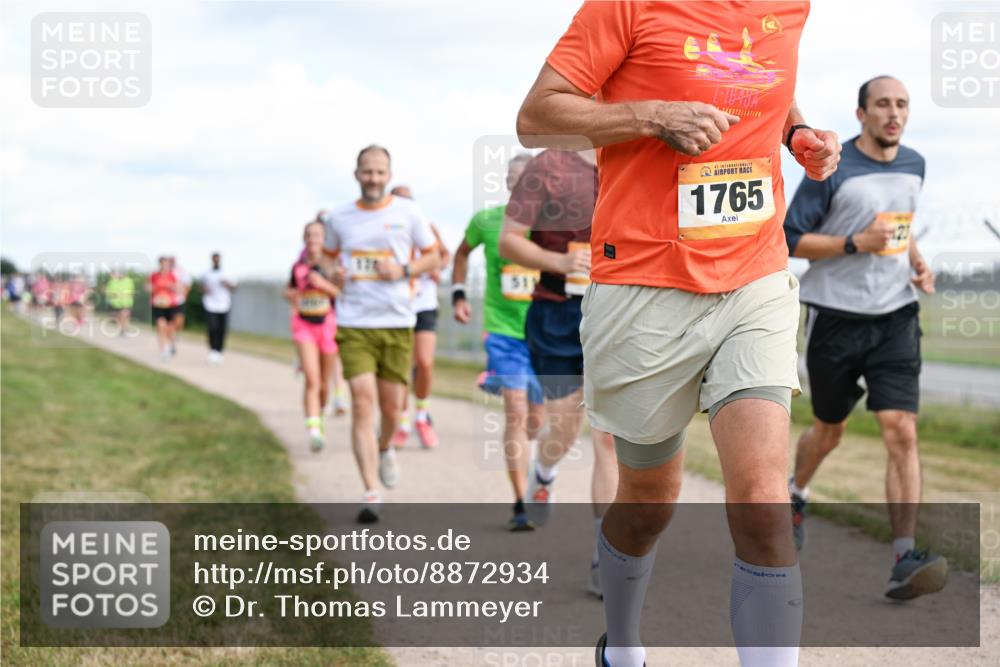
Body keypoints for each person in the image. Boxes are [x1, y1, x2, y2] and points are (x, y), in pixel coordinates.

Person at [516, 2, 841, 665]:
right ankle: (625, 644)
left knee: (761, 495)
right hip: (641, 282)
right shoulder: (626, 6)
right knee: (649, 499)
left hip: (754, 275)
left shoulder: (790, 7)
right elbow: (536, 116)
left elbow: (755, 77)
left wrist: (797, 129)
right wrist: (654, 115)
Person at [783, 75, 946, 600]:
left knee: (901, 429)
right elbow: (792, 239)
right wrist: (855, 243)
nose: (893, 114)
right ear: (861, 114)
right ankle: (796, 493)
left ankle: (904, 557)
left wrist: (917, 263)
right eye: (882, 105)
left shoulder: (914, 163)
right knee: (829, 431)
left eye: (901, 104)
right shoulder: (834, 169)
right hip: (834, 318)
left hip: (896, 315)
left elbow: (902, 225)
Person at [499, 147, 618, 598]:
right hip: (558, 316)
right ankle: (545, 471)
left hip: (619, 313)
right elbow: (510, 240)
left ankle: (604, 557)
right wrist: (561, 263)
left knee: (607, 437)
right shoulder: (548, 165)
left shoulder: (636, 155)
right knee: (564, 428)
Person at [322, 145, 440, 523]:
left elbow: (434, 256)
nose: (372, 178)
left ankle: (385, 445)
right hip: (355, 323)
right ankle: (371, 491)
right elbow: (325, 257)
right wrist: (332, 273)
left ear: (388, 175)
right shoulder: (338, 217)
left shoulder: (408, 213)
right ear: (356, 174)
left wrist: (404, 270)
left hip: (397, 322)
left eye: (379, 172)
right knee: (362, 401)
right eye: (366, 172)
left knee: (391, 409)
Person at [453, 153, 546, 531]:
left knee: (536, 421)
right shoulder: (487, 221)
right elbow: (461, 253)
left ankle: (537, 471)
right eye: (514, 178)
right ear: (508, 183)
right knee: (516, 413)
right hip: (504, 331)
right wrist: (458, 294)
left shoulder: (555, 227)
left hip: (545, 333)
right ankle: (521, 502)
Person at [388, 185, 451, 449]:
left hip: (424, 302)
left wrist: (437, 267)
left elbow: (443, 255)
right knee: (402, 367)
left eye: (408, 201)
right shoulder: (386, 230)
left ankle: (422, 417)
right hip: (397, 304)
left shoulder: (426, 226)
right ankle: (402, 422)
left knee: (424, 362)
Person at [285, 221, 342, 452]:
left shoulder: (332, 265)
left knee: (324, 386)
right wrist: (293, 295)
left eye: (317, 235)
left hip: (327, 326)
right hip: (303, 325)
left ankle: (319, 416)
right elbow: (288, 290)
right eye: (309, 234)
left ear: (324, 239)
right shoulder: (297, 267)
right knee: (312, 378)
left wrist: (323, 285)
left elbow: (341, 294)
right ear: (304, 238)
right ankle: (314, 431)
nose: (313, 239)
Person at [201, 252, 238, 363]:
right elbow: (201, 287)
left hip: (224, 305)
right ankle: (212, 350)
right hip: (210, 304)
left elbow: (234, 289)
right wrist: (205, 290)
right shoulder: (206, 274)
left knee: (222, 329)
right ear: (212, 260)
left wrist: (227, 284)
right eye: (214, 259)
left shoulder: (227, 273)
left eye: (218, 259)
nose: (216, 261)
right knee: (212, 327)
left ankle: (220, 350)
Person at [149, 256, 183, 361]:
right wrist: (151, 288)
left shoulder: (173, 276)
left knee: (169, 328)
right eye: (162, 264)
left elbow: (179, 289)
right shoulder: (154, 275)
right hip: (158, 305)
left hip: (170, 305)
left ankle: (171, 343)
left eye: (166, 264)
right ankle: (164, 350)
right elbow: (148, 286)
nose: (164, 266)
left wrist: (172, 286)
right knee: (161, 326)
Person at [105, 270, 135, 335]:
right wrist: (112, 295)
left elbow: (131, 290)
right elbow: (108, 291)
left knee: (124, 315)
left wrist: (127, 295)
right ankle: (122, 328)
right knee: (119, 316)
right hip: (116, 303)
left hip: (126, 302)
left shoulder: (129, 281)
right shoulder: (112, 281)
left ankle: (124, 328)